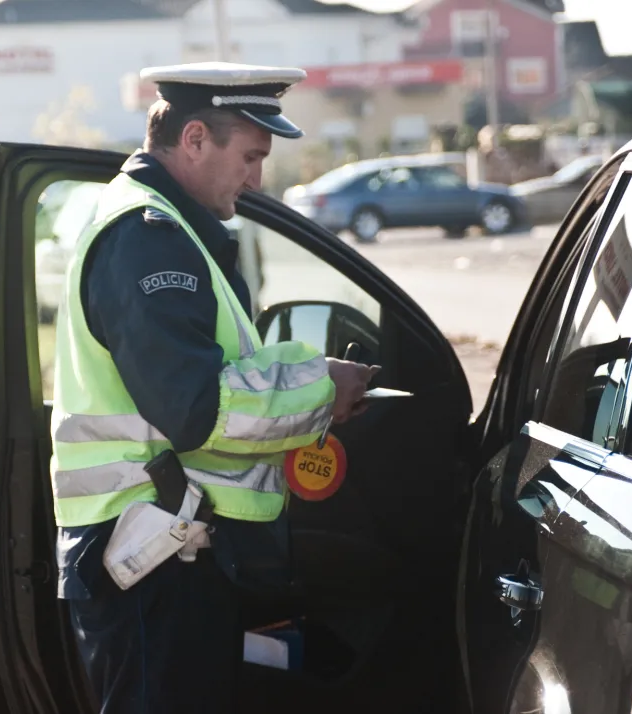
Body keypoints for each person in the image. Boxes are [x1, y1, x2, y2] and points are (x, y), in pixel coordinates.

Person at [50, 62, 375, 713]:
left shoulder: (165, 229)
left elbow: (213, 373)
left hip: (167, 552)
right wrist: (319, 388)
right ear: (194, 138)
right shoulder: (147, 238)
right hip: (153, 559)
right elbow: (196, 408)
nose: (257, 179)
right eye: (250, 157)